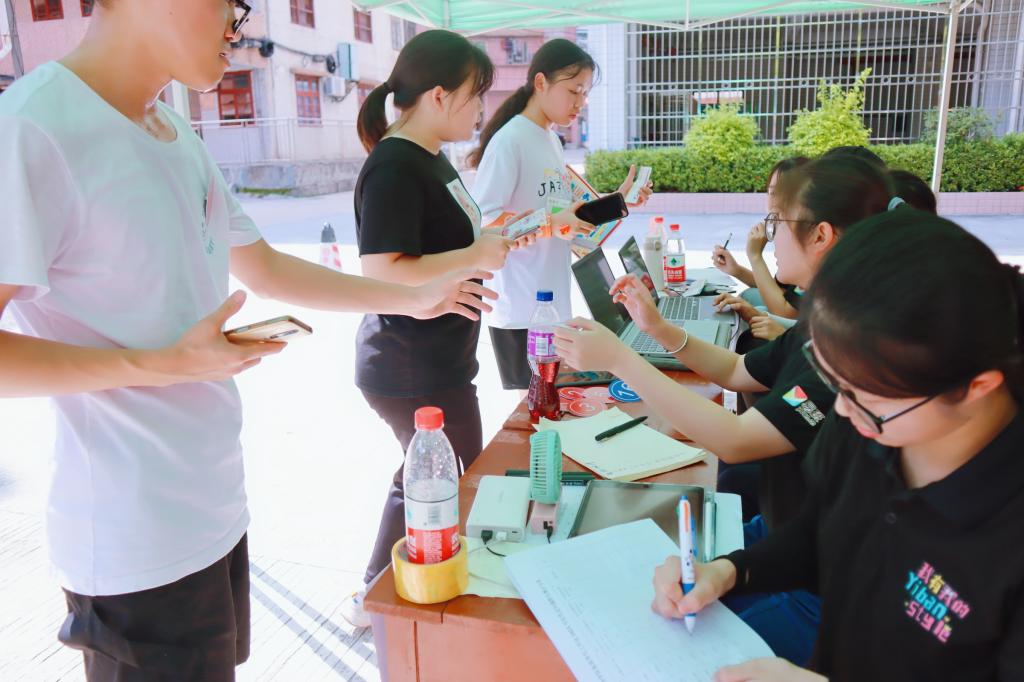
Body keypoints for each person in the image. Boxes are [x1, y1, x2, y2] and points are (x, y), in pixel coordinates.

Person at [0, 3, 496, 680]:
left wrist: (412, 296)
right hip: (131, 536)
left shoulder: (171, 129)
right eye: (230, 6)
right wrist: (158, 365)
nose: (239, 25)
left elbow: (265, 268)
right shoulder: (34, 127)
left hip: (213, 506)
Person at [652, 209, 1024, 682]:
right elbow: (821, 533)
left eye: (864, 397)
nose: (842, 412)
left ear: (976, 388)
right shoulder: (869, 426)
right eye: (834, 382)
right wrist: (729, 572)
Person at [554, 155, 895, 664]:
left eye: (777, 222)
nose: (769, 236)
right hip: (789, 537)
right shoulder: (824, 318)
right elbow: (739, 371)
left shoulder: (852, 346)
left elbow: (737, 440)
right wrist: (656, 329)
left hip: (818, 586)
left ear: (822, 235)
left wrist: (621, 360)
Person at [342, 30, 535, 627]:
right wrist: (474, 253)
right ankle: (382, 601)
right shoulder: (395, 166)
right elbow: (383, 271)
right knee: (444, 480)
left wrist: (492, 239)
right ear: (438, 95)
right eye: (476, 96)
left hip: (438, 358)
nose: (482, 109)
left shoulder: (429, 156)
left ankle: (375, 594)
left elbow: (445, 243)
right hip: (410, 362)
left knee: (428, 479)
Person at [469, 38, 652, 392]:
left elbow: (565, 218)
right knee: (532, 409)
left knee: (550, 405)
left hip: (551, 304)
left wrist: (620, 201)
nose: (580, 102)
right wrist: (549, 223)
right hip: (519, 308)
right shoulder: (510, 141)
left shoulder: (550, 140)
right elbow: (483, 220)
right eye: (573, 91)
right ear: (541, 82)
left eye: (585, 93)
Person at [713, 157, 809, 344]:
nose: (774, 201)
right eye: (771, 192)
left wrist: (755, 255)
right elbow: (777, 288)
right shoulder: (785, 226)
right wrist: (736, 270)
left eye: (784, 192)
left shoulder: (803, 235)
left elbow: (785, 310)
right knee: (746, 298)